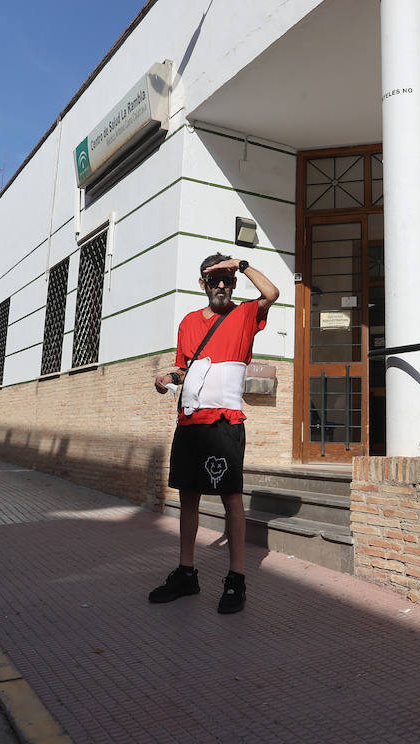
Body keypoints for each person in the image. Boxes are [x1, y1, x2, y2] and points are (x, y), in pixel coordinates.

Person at [149, 252, 279, 614]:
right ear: (203, 284)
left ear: (234, 283)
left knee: (230, 498)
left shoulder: (245, 314)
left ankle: (236, 580)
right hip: (190, 421)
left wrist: (241, 264)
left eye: (228, 280)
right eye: (214, 280)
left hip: (225, 422)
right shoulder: (189, 322)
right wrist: (166, 380)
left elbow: (272, 293)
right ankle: (187, 572)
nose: (221, 286)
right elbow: (183, 367)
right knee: (188, 496)